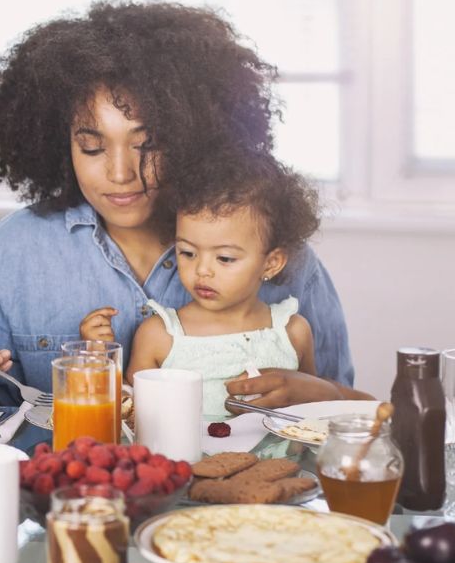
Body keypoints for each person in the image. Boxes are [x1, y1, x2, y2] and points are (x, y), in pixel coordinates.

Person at [0, 0, 363, 409]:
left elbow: (340, 409)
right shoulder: (10, 255)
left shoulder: (278, 251)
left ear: (194, 134)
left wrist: (311, 393)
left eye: (147, 144)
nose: (121, 173)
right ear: (60, 146)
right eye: (92, 148)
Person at [125, 159, 324, 416]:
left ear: (271, 264)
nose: (202, 270)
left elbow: (314, 413)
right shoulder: (159, 336)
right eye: (187, 252)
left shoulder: (292, 333)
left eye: (225, 258)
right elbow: (132, 418)